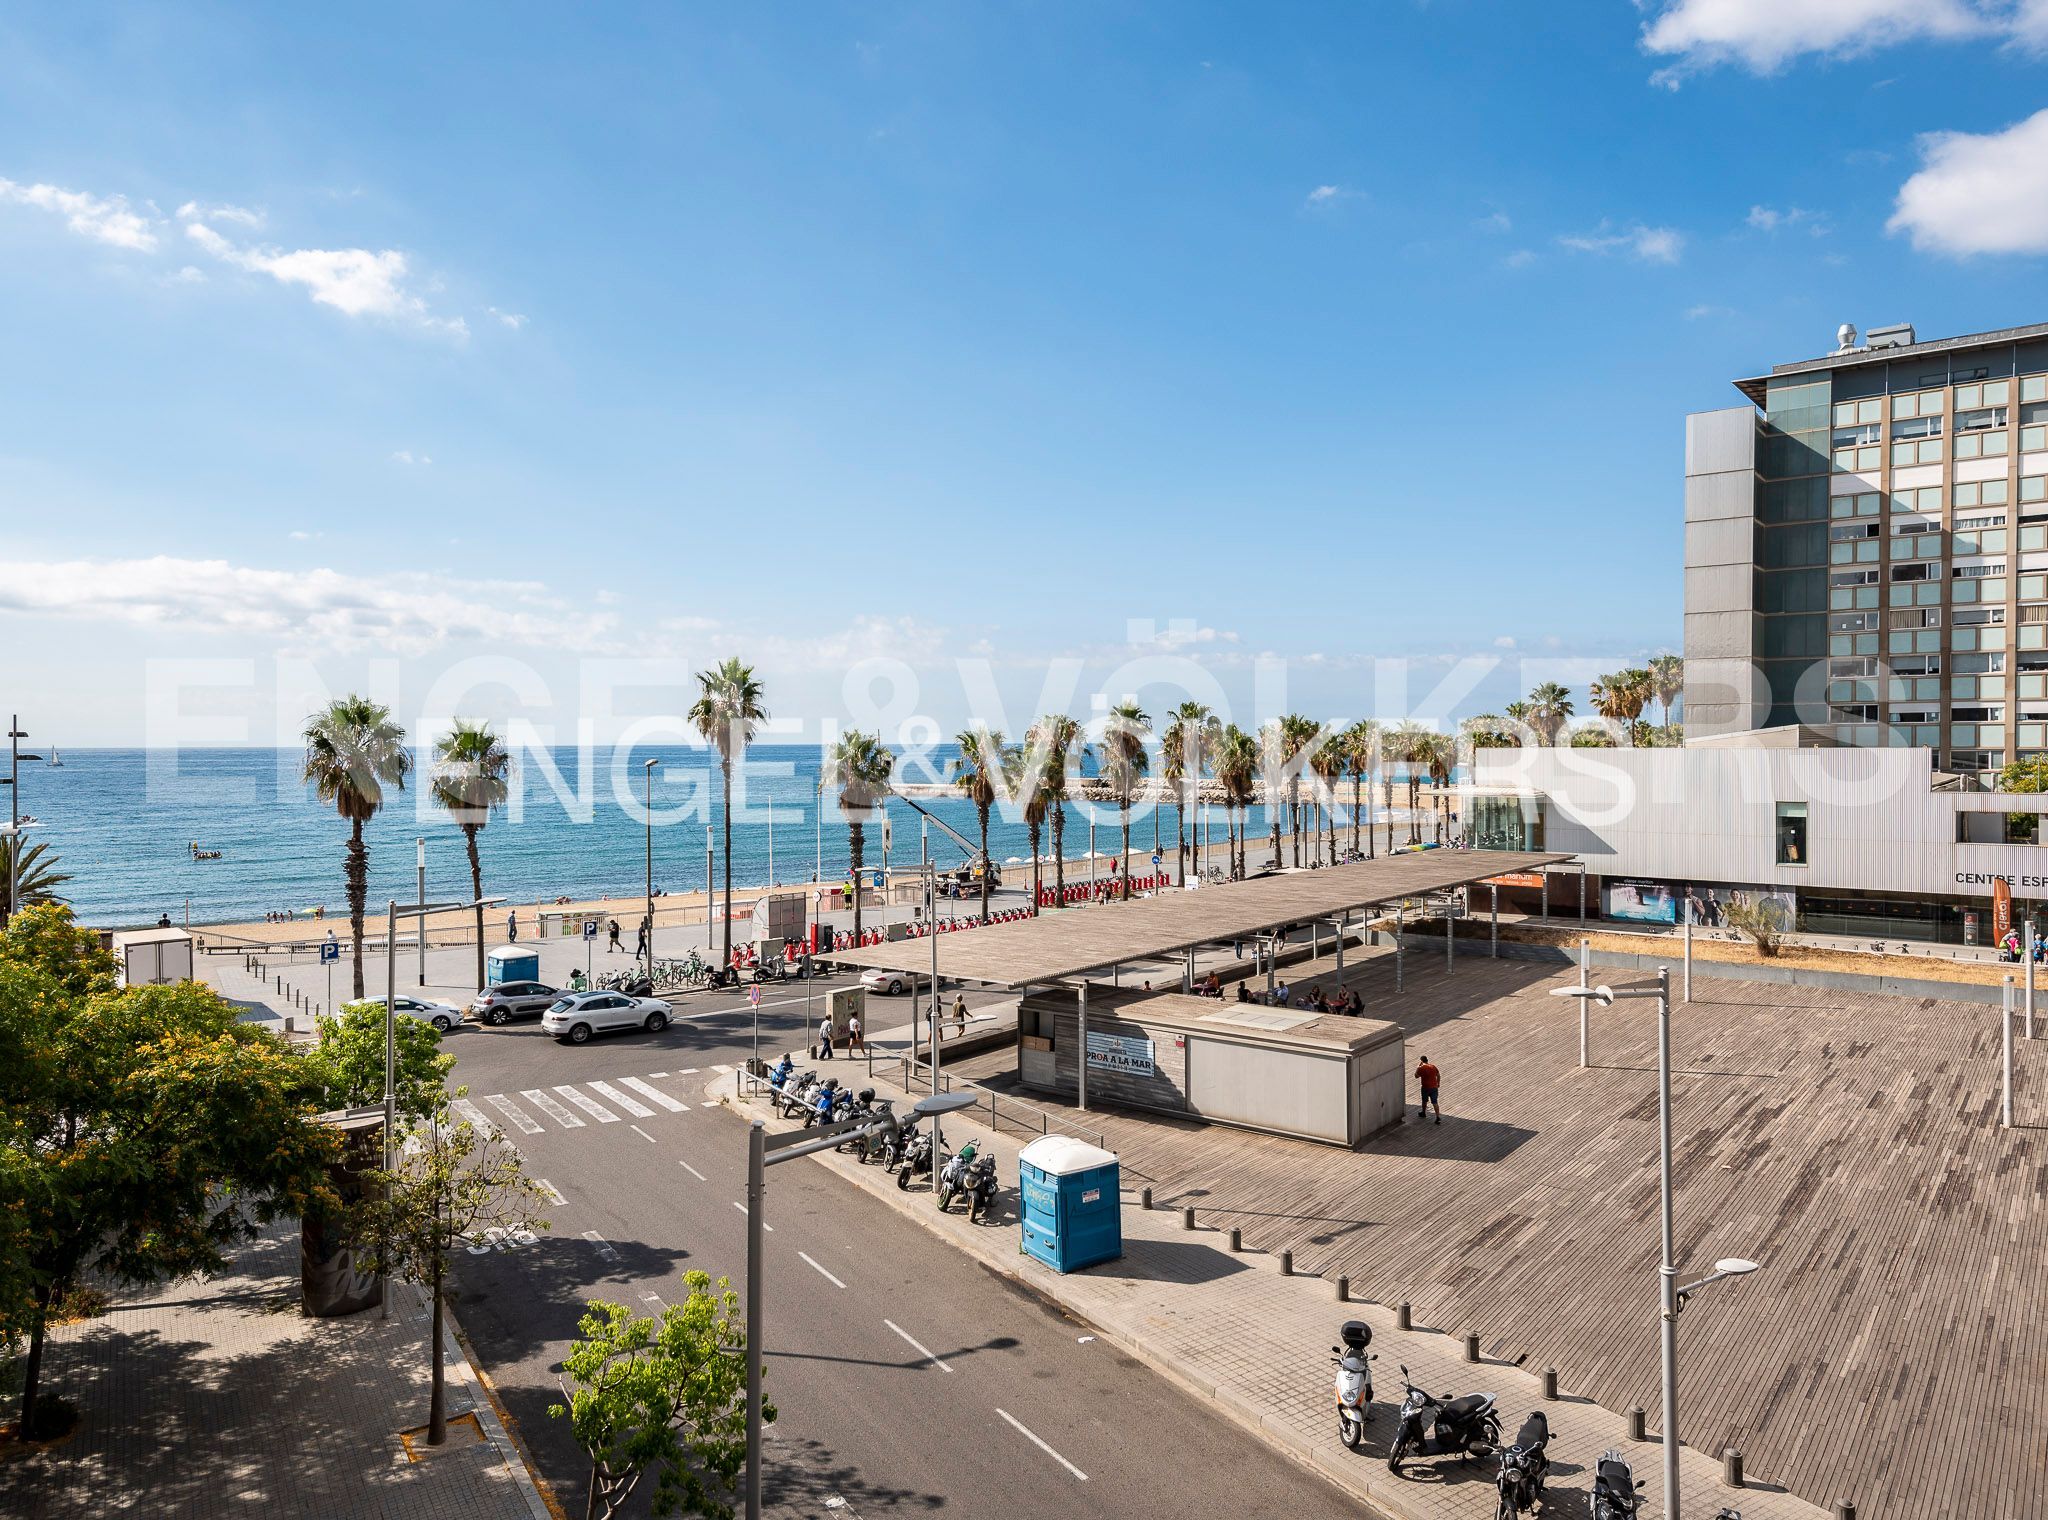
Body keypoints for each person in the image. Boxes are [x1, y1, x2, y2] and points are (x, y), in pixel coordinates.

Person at [1415, 1054, 1442, 1124]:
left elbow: (1416, 1076)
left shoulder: (1421, 1068)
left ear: (1421, 1061)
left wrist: (1418, 1067)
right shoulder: (1433, 1066)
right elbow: (1438, 1075)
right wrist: (1438, 1083)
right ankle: (1438, 1117)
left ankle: (1423, 1113)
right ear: (1427, 1060)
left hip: (1425, 1087)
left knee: (1424, 1100)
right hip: (1434, 1087)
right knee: (1435, 1102)